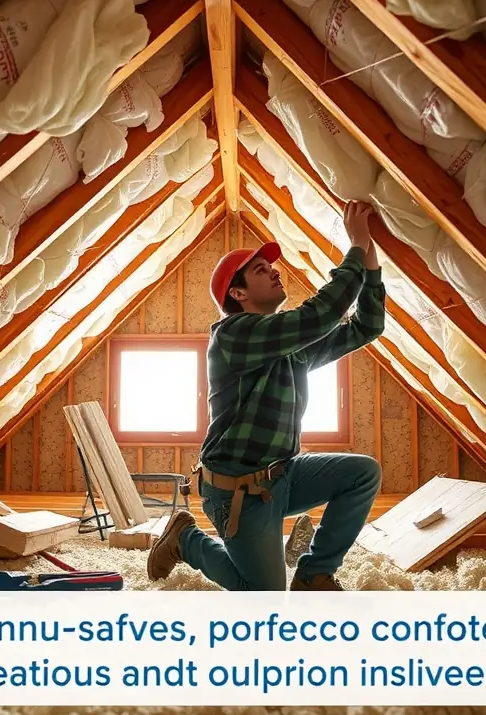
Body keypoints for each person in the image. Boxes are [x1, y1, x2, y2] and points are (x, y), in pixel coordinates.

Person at [146, 200, 387, 591]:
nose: (274, 271)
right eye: (261, 269)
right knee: (264, 596)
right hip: (237, 491)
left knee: (362, 473)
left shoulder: (287, 344)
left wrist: (371, 264)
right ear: (238, 293)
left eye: (271, 266)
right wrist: (356, 247)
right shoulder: (234, 335)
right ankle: (186, 539)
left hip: (282, 475)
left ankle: (314, 575)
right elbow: (320, 316)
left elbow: (365, 327)